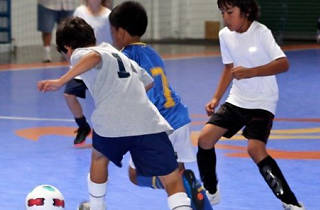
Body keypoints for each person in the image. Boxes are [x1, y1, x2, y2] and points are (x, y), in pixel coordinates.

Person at [38, 17, 192, 210]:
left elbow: (94, 58)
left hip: (111, 120)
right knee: (171, 178)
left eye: (65, 55)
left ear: (68, 48)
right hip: (148, 120)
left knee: (99, 158)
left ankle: (96, 206)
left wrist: (61, 80)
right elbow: (148, 82)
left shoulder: (81, 54)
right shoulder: (119, 54)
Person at [196, 0, 305, 210]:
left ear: (245, 12)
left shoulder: (261, 32)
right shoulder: (224, 35)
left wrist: (251, 71)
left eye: (230, 12)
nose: (225, 17)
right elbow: (229, 68)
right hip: (237, 100)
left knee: (255, 149)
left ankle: (291, 202)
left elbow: (283, 63)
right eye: (222, 12)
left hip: (263, 101)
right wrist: (216, 98)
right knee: (204, 139)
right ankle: (211, 190)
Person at [109, 2, 212, 210]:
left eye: (112, 31)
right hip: (179, 117)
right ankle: (195, 196)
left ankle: (184, 184)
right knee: (178, 174)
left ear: (120, 32)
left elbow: (129, 95)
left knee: (136, 175)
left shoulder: (125, 58)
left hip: (158, 124)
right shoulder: (152, 52)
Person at [63, 0, 112, 146]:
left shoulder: (108, 15)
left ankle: (107, 132)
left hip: (100, 63)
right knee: (69, 94)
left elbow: (111, 40)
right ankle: (82, 126)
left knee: (103, 101)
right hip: (82, 63)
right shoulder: (80, 11)